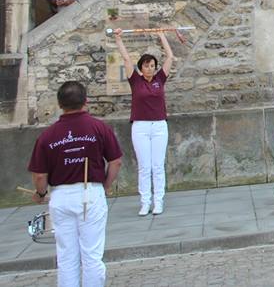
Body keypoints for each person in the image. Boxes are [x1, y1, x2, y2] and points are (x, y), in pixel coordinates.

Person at [28, 81, 123, 287]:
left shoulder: (47, 135)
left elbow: (39, 176)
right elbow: (115, 161)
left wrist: (40, 193)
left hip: (61, 196)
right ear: (85, 101)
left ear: (60, 104)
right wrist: (105, 186)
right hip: (90, 192)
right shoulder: (99, 127)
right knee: (91, 256)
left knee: (67, 257)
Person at [114, 31, 175, 216]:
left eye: (152, 66)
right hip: (140, 126)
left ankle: (158, 201)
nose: (150, 69)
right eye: (147, 66)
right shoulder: (135, 81)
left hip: (159, 126)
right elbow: (125, 57)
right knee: (144, 166)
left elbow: (170, 56)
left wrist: (161, 35)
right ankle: (144, 202)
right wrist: (118, 38)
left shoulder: (160, 80)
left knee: (157, 165)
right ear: (141, 68)